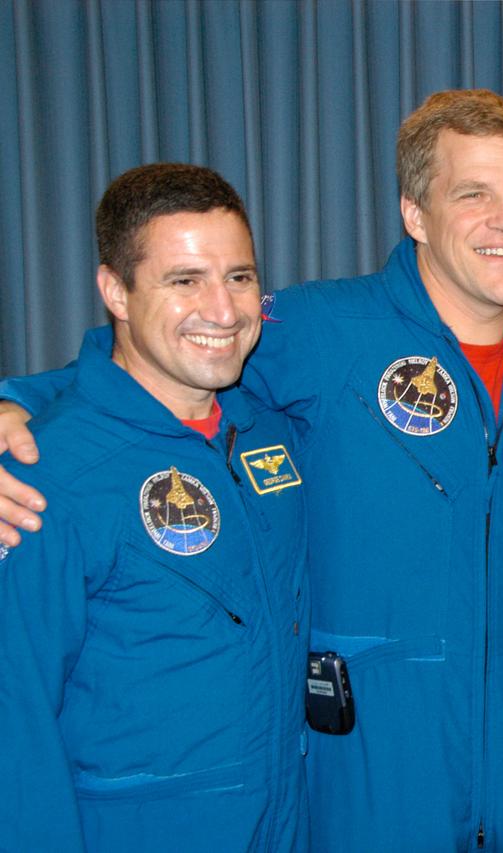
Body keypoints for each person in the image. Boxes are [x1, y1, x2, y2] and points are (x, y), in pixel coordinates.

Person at [0, 89, 503, 851]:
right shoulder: (320, 327)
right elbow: (164, 354)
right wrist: (16, 400)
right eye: (472, 193)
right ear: (415, 214)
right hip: (367, 773)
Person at [0, 164, 308, 851]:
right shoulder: (42, 478)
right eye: (184, 280)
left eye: (239, 276)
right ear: (115, 290)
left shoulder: (269, 429)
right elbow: (12, 723)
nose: (224, 311)